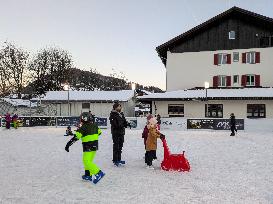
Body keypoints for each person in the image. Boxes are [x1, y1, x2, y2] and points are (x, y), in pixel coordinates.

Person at [65, 112, 105, 184]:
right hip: (95, 146)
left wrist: (68, 145)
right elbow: (99, 132)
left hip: (88, 146)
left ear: (83, 119)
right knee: (88, 161)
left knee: (86, 161)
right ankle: (88, 174)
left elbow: (76, 138)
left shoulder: (83, 127)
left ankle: (99, 173)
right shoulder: (95, 125)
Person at [109, 102, 131, 166]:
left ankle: (119, 159)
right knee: (116, 146)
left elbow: (124, 121)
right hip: (116, 133)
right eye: (119, 106)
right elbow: (115, 124)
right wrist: (122, 125)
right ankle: (115, 160)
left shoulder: (121, 114)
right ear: (115, 107)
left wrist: (127, 124)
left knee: (120, 146)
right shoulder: (112, 115)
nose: (120, 107)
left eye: (120, 106)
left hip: (121, 132)